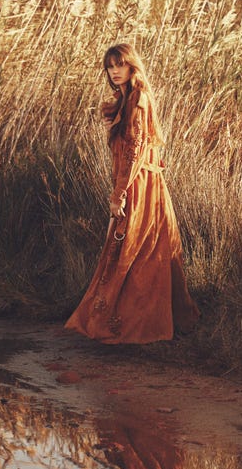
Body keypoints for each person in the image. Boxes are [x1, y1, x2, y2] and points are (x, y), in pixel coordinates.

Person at [65, 43, 199, 344]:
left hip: (141, 184)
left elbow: (136, 151)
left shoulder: (139, 98)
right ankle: (131, 321)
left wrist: (120, 194)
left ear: (131, 66)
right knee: (131, 252)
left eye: (119, 65)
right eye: (110, 66)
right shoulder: (122, 99)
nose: (114, 71)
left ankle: (136, 325)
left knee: (136, 252)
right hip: (133, 181)